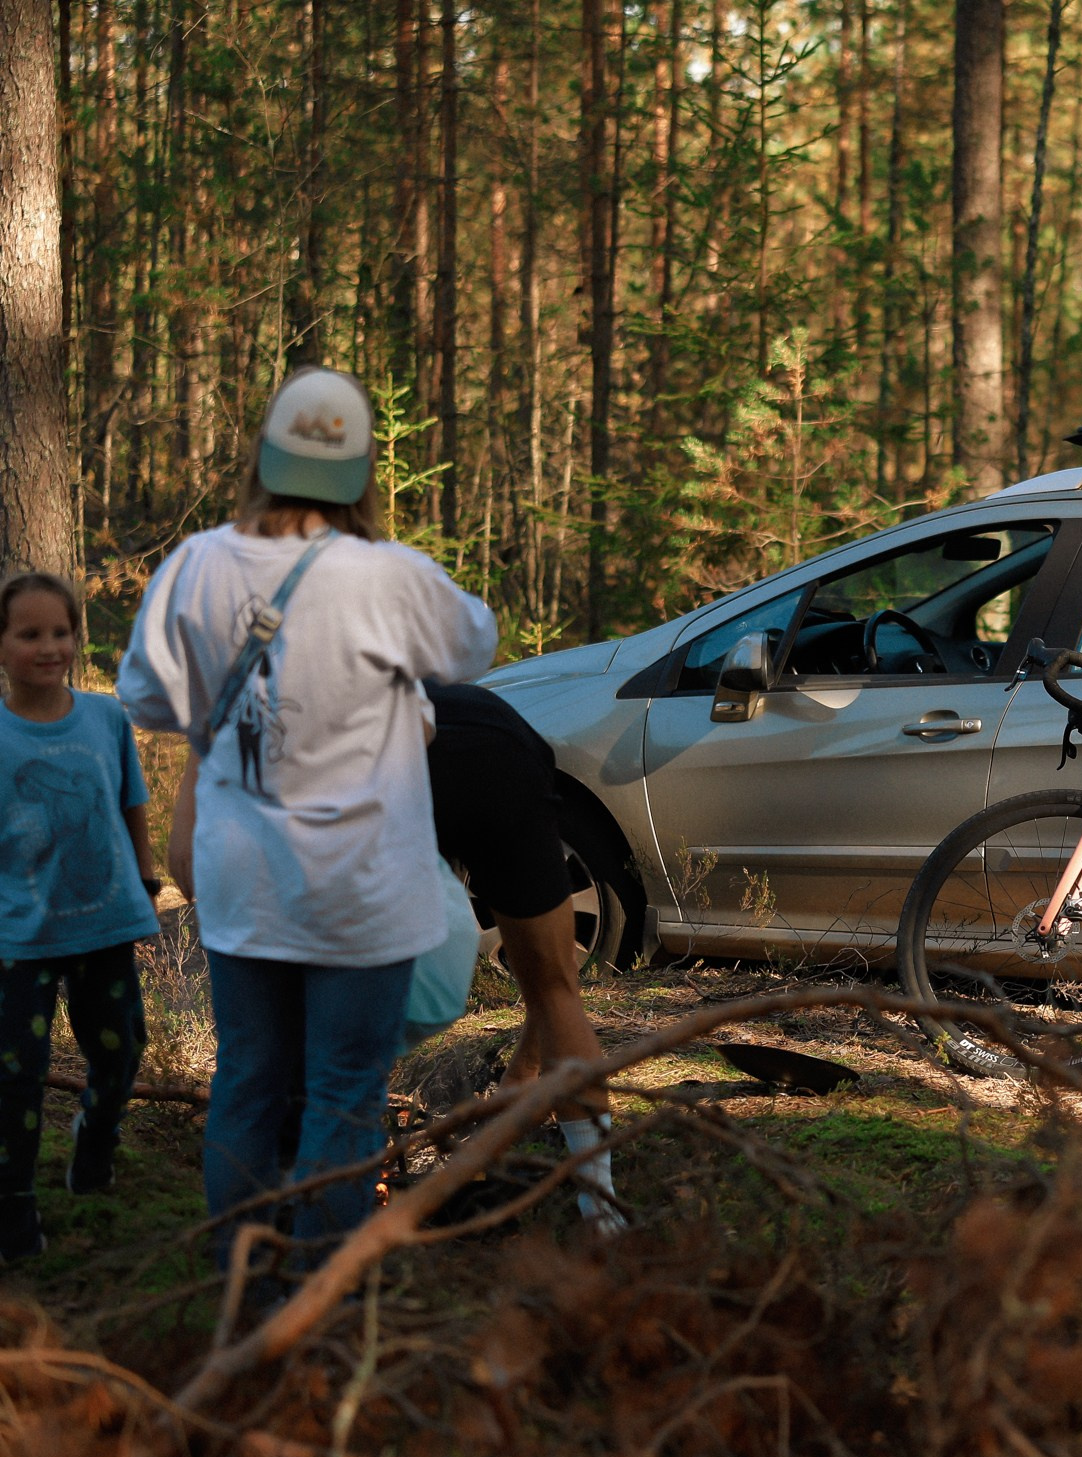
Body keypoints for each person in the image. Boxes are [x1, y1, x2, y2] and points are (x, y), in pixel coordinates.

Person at [118, 367, 496, 1271]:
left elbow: (145, 695)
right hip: (367, 896)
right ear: (363, 473)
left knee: (247, 1085)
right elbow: (475, 643)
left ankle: (243, 1291)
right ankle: (319, 1315)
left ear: (265, 461)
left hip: (249, 889)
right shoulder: (393, 578)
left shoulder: (196, 567)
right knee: (342, 1100)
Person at [0, 572, 163, 1263]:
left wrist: (147, 868)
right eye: (29, 634)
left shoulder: (105, 718)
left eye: (60, 633)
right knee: (16, 1071)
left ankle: (96, 1137)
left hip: (105, 922)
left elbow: (130, 797)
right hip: (20, 935)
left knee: (122, 1048)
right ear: (2, 646)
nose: (48, 647)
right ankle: (13, 1210)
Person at [424, 681, 620, 1226]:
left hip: (409, 760)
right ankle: (601, 1212)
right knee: (557, 986)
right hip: (506, 750)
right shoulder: (462, 696)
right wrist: (522, 1076)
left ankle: (346, 1179)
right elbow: (556, 986)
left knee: (357, 984)